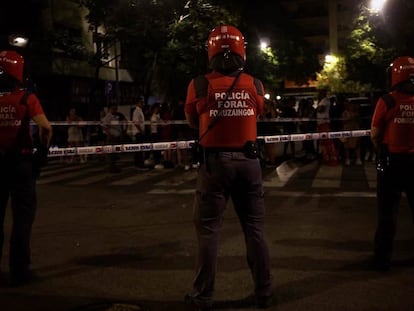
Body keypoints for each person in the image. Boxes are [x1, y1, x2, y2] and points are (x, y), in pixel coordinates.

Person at [184, 25, 273, 310]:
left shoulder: (198, 84)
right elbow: (258, 112)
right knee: (255, 230)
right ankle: (265, 293)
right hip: (249, 163)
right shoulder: (255, 84)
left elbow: (191, 121)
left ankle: (202, 297)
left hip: (214, 165)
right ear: (242, 50)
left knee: (209, 231)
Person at [0, 50, 53, 286]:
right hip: (20, 164)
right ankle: (19, 272)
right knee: (22, 219)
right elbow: (46, 128)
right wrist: (42, 153)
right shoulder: (26, 98)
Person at [370, 56, 414, 271]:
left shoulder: (387, 101)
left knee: (388, 214)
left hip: (393, 163)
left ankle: (382, 259)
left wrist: (380, 152)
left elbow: (376, 133)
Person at [101, 104, 127, 173]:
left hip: (116, 137)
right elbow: (104, 126)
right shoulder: (108, 116)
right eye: (113, 109)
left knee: (115, 154)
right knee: (111, 154)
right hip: (112, 138)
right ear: (109, 109)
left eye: (116, 109)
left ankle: (114, 167)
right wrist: (109, 134)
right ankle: (110, 168)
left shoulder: (115, 116)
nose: (115, 110)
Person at [316, 88, 338, 165]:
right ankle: (326, 158)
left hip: (324, 123)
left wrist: (317, 108)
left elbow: (320, 110)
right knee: (323, 142)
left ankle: (332, 159)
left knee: (328, 141)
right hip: (321, 123)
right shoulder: (322, 101)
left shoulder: (325, 101)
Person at [341, 99, 362, 166]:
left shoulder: (357, 113)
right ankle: (347, 159)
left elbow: (360, 122)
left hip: (356, 130)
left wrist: (356, 117)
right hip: (347, 130)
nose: (353, 106)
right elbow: (343, 122)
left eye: (354, 105)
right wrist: (350, 118)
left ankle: (358, 159)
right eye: (351, 105)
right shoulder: (345, 113)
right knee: (346, 146)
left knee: (357, 145)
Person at [131, 96, 147, 168]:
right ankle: (139, 164)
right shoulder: (136, 111)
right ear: (137, 103)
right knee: (139, 150)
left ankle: (139, 163)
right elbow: (136, 123)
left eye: (143, 102)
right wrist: (141, 131)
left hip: (140, 132)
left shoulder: (140, 110)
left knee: (140, 149)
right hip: (138, 133)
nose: (143, 104)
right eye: (141, 102)